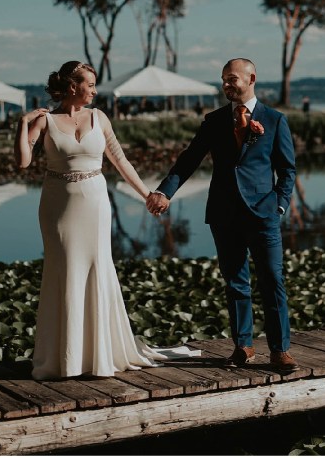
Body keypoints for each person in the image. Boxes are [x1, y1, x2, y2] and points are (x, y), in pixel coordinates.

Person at [15, 60, 197, 380]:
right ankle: (65, 358)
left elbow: (120, 160)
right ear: (73, 86)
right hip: (58, 205)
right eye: (90, 85)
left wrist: (148, 195)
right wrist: (22, 124)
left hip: (95, 202)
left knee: (98, 267)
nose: (94, 91)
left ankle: (98, 354)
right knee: (65, 270)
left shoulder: (99, 117)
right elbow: (23, 162)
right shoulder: (46, 121)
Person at [145, 58, 299, 373]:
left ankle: (280, 351)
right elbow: (189, 159)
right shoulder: (214, 120)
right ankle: (243, 347)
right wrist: (165, 192)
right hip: (223, 213)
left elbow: (287, 170)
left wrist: (279, 205)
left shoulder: (274, 120)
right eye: (223, 79)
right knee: (235, 283)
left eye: (232, 79)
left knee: (272, 281)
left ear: (251, 79)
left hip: (263, 214)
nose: (226, 85)